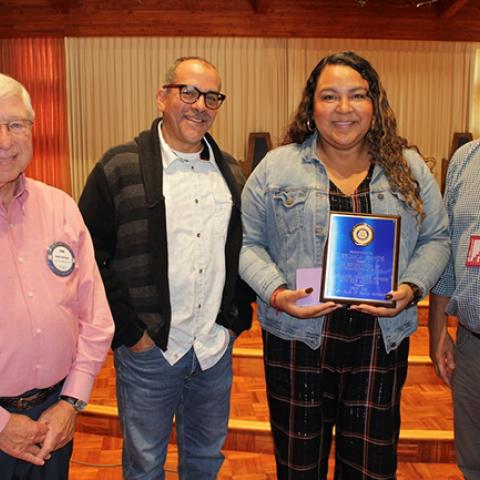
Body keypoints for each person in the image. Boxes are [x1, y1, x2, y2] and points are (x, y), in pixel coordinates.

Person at [239, 51, 450, 479]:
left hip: (381, 340)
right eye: (329, 96)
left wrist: (411, 288)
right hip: (298, 338)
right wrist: (278, 295)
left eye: (357, 95)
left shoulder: (408, 168)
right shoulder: (276, 168)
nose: (343, 109)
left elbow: (437, 238)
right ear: (311, 106)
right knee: (300, 467)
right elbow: (246, 244)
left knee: (371, 467)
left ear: (375, 104)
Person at [79, 56, 254, 480]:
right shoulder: (118, 167)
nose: (200, 105)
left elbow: (246, 249)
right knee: (144, 466)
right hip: (150, 352)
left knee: (206, 460)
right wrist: (131, 333)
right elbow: (90, 255)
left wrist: (234, 322)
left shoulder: (232, 172)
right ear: (162, 96)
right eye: (188, 92)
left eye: (211, 96)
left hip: (213, 351)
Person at [0, 73, 114, 479]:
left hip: (55, 418)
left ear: (32, 129)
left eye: (15, 124)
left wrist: (72, 402)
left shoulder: (62, 207)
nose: (5, 141)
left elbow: (96, 316)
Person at [429, 139, 480, 480]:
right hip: (472, 345)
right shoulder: (467, 159)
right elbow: (446, 252)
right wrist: (437, 330)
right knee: (473, 460)